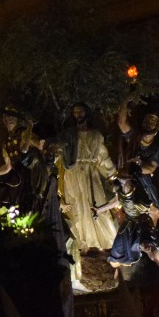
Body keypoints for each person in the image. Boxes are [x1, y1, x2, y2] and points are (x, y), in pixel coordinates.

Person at [94, 167, 159, 275]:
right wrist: (99, 209)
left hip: (142, 225)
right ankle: (121, 272)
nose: (121, 178)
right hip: (128, 225)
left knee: (149, 247)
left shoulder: (140, 200)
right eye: (121, 176)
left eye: (124, 176)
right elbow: (115, 202)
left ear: (129, 179)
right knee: (116, 254)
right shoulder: (121, 191)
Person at [58, 103, 118, 259]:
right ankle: (81, 244)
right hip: (72, 176)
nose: (78, 114)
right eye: (75, 112)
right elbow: (59, 154)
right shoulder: (68, 135)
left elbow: (104, 158)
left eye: (81, 111)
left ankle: (102, 243)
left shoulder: (95, 136)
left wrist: (114, 178)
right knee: (77, 210)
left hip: (90, 175)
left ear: (87, 113)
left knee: (96, 205)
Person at [116, 98, 159, 206]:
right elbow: (121, 123)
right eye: (148, 121)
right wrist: (125, 101)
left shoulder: (156, 146)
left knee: (151, 204)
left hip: (141, 178)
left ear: (157, 128)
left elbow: (151, 168)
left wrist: (139, 165)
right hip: (125, 171)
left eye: (153, 123)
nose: (150, 124)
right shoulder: (134, 136)